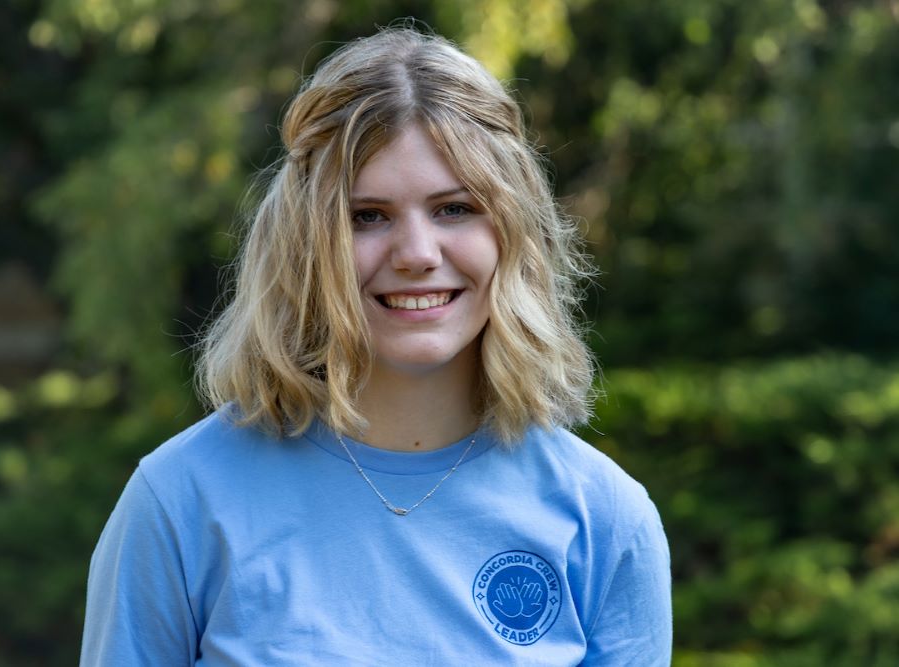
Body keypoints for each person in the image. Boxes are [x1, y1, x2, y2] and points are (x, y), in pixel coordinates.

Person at [81, 26, 671, 666]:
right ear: (305, 245)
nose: (417, 254)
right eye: (367, 216)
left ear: (511, 233)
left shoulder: (605, 518)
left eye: (454, 209)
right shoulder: (181, 502)